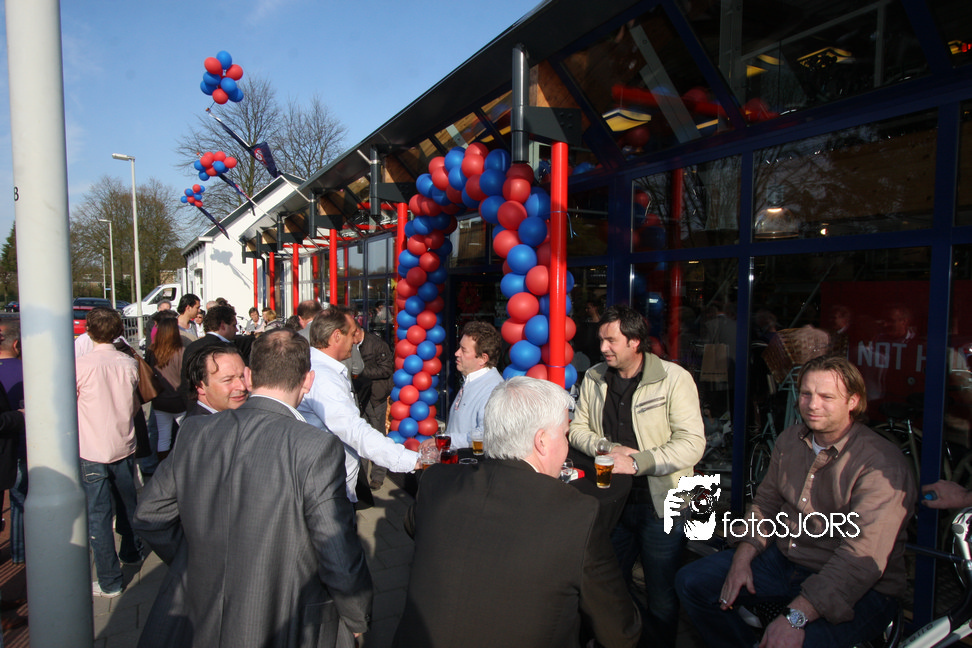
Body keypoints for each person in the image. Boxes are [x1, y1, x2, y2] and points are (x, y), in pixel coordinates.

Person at [133, 329, 373, 648]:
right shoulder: (316, 447)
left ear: (248, 376)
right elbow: (336, 549)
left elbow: (149, 516)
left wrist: (200, 558)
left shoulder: (194, 431)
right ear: (308, 380)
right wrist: (357, 616)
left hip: (195, 619)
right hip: (282, 621)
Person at [676, 355, 916, 648]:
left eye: (827, 397)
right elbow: (766, 504)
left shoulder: (879, 463)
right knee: (692, 583)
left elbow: (860, 558)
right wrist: (742, 558)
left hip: (860, 585)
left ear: (853, 401)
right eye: (806, 394)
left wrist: (795, 616)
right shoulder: (791, 440)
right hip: (787, 561)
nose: (812, 405)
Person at [392, 376, 641, 648]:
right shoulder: (577, 515)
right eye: (565, 434)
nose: (567, 444)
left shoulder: (438, 481)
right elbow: (620, 632)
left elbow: (413, 524)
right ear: (542, 441)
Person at [569, 304, 704, 647]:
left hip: (665, 503)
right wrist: (607, 447)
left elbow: (692, 444)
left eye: (611, 341)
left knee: (662, 594)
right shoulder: (595, 377)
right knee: (610, 587)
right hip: (612, 502)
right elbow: (577, 430)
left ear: (635, 341)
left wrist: (638, 462)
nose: (603, 348)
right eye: (601, 339)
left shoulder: (674, 378)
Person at [298, 308, 422, 503]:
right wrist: (411, 460)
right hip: (327, 490)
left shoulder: (320, 368)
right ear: (336, 336)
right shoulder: (323, 377)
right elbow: (353, 430)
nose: (355, 341)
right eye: (352, 334)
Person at [75, 308, 143, 597]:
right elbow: (135, 403)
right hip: (123, 443)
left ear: (89, 331)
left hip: (92, 447)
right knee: (127, 503)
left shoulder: (80, 366)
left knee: (99, 515)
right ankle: (132, 551)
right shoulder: (128, 363)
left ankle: (110, 580)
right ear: (118, 331)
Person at [444, 321, 504, 449]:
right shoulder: (472, 379)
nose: (457, 353)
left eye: (464, 350)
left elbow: (486, 435)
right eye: (459, 348)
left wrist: (446, 441)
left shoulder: (493, 390)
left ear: (483, 359)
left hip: (471, 460)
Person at [145, 317, 186, 459]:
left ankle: (163, 465)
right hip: (179, 400)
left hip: (160, 400)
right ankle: (182, 463)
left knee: (163, 437)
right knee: (184, 435)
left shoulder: (152, 351)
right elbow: (184, 376)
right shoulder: (181, 351)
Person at [0, 319, 23, 564]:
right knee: (20, 501)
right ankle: (21, 554)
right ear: (17, 344)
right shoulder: (28, 371)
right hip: (20, 447)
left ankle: (18, 553)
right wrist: (19, 417)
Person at [183, 345, 247, 416]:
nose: (242, 387)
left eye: (243, 376)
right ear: (200, 386)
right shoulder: (200, 422)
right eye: (228, 380)